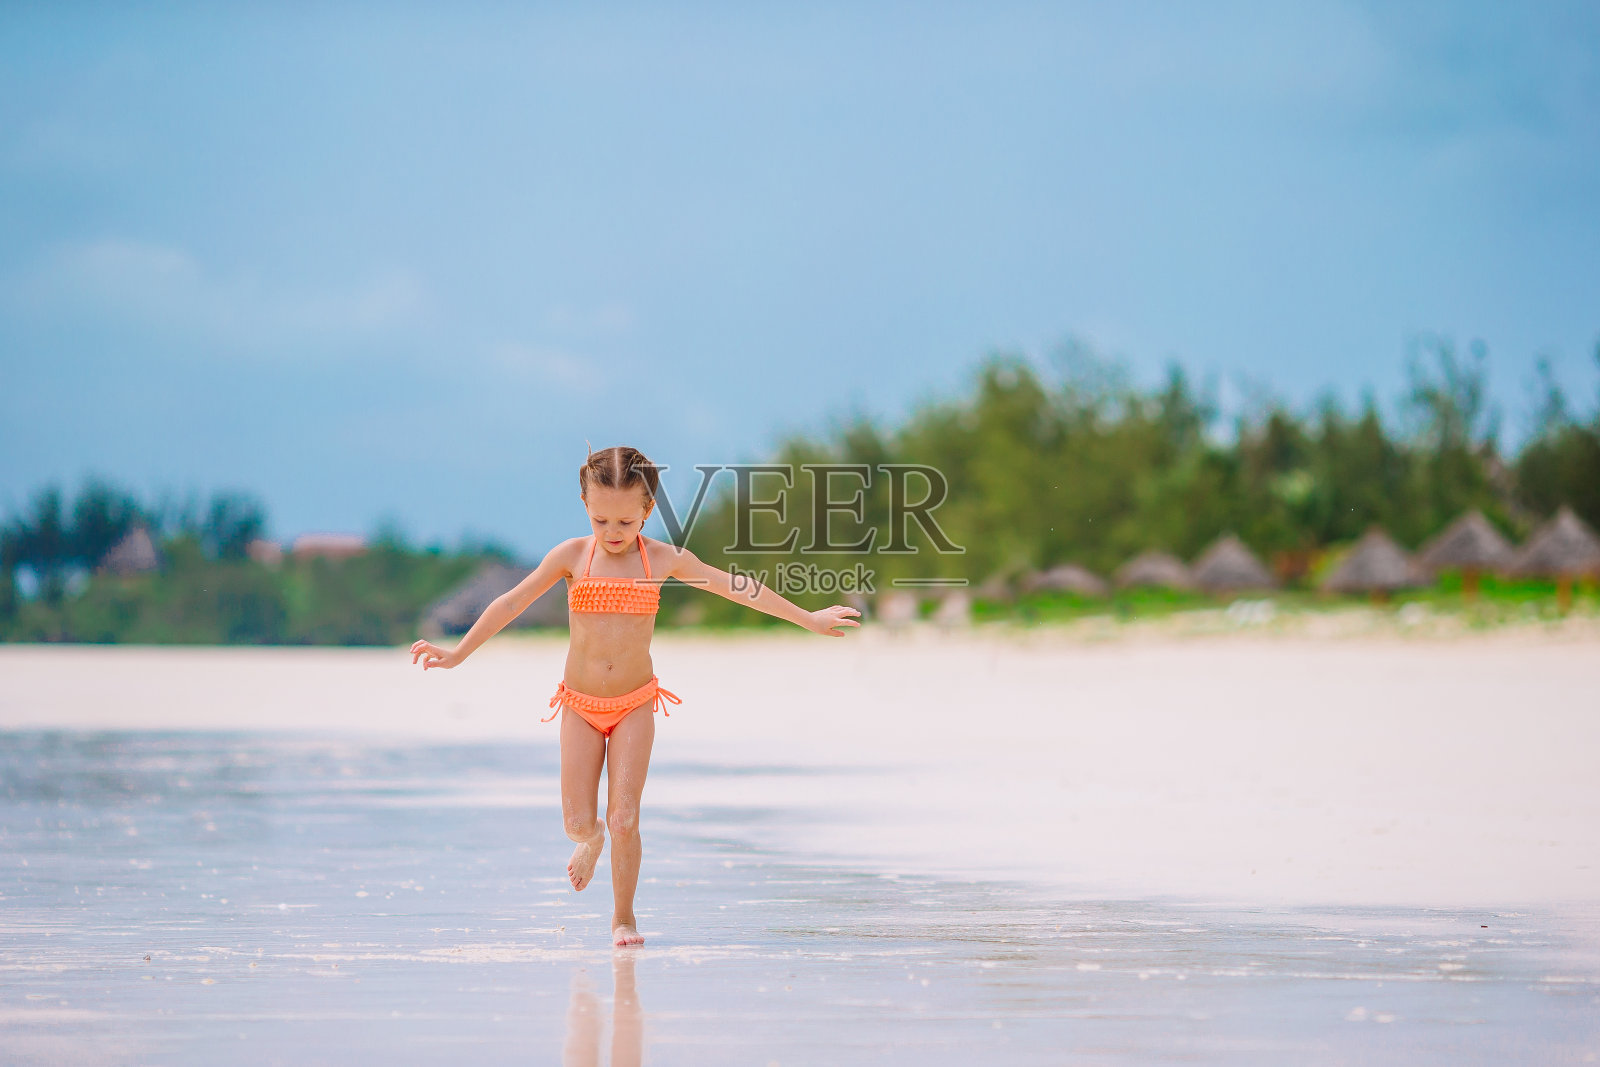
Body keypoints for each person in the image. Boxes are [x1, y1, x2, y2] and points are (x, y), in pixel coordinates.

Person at [409, 446, 861, 947]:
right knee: (580, 822)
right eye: (601, 519)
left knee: (625, 816)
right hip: (579, 706)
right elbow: (512, 601)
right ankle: (592, 840)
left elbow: (737, 587)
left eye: (626, 520)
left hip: (635, 704)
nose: (614, 531)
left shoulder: (661, 559)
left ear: (647, 510)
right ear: (585, 504)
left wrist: (809, 618)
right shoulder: (572, 556)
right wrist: (459, 653)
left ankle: (624, 917)